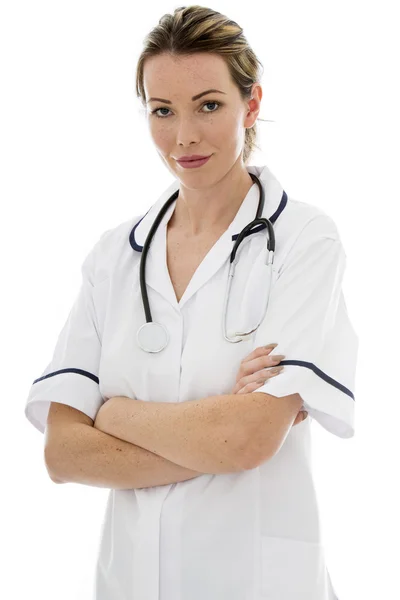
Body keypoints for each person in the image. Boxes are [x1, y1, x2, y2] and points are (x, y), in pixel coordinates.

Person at [24, 6, 358, 599]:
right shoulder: (113, 258)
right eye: (162, 110)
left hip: (256, 582)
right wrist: (218, 434)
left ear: (250, 105)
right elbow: (64, 452)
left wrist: (118, 415)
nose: (184, 136)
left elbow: (250, 439)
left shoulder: (305, 239)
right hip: (131, 581)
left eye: (209, 104)